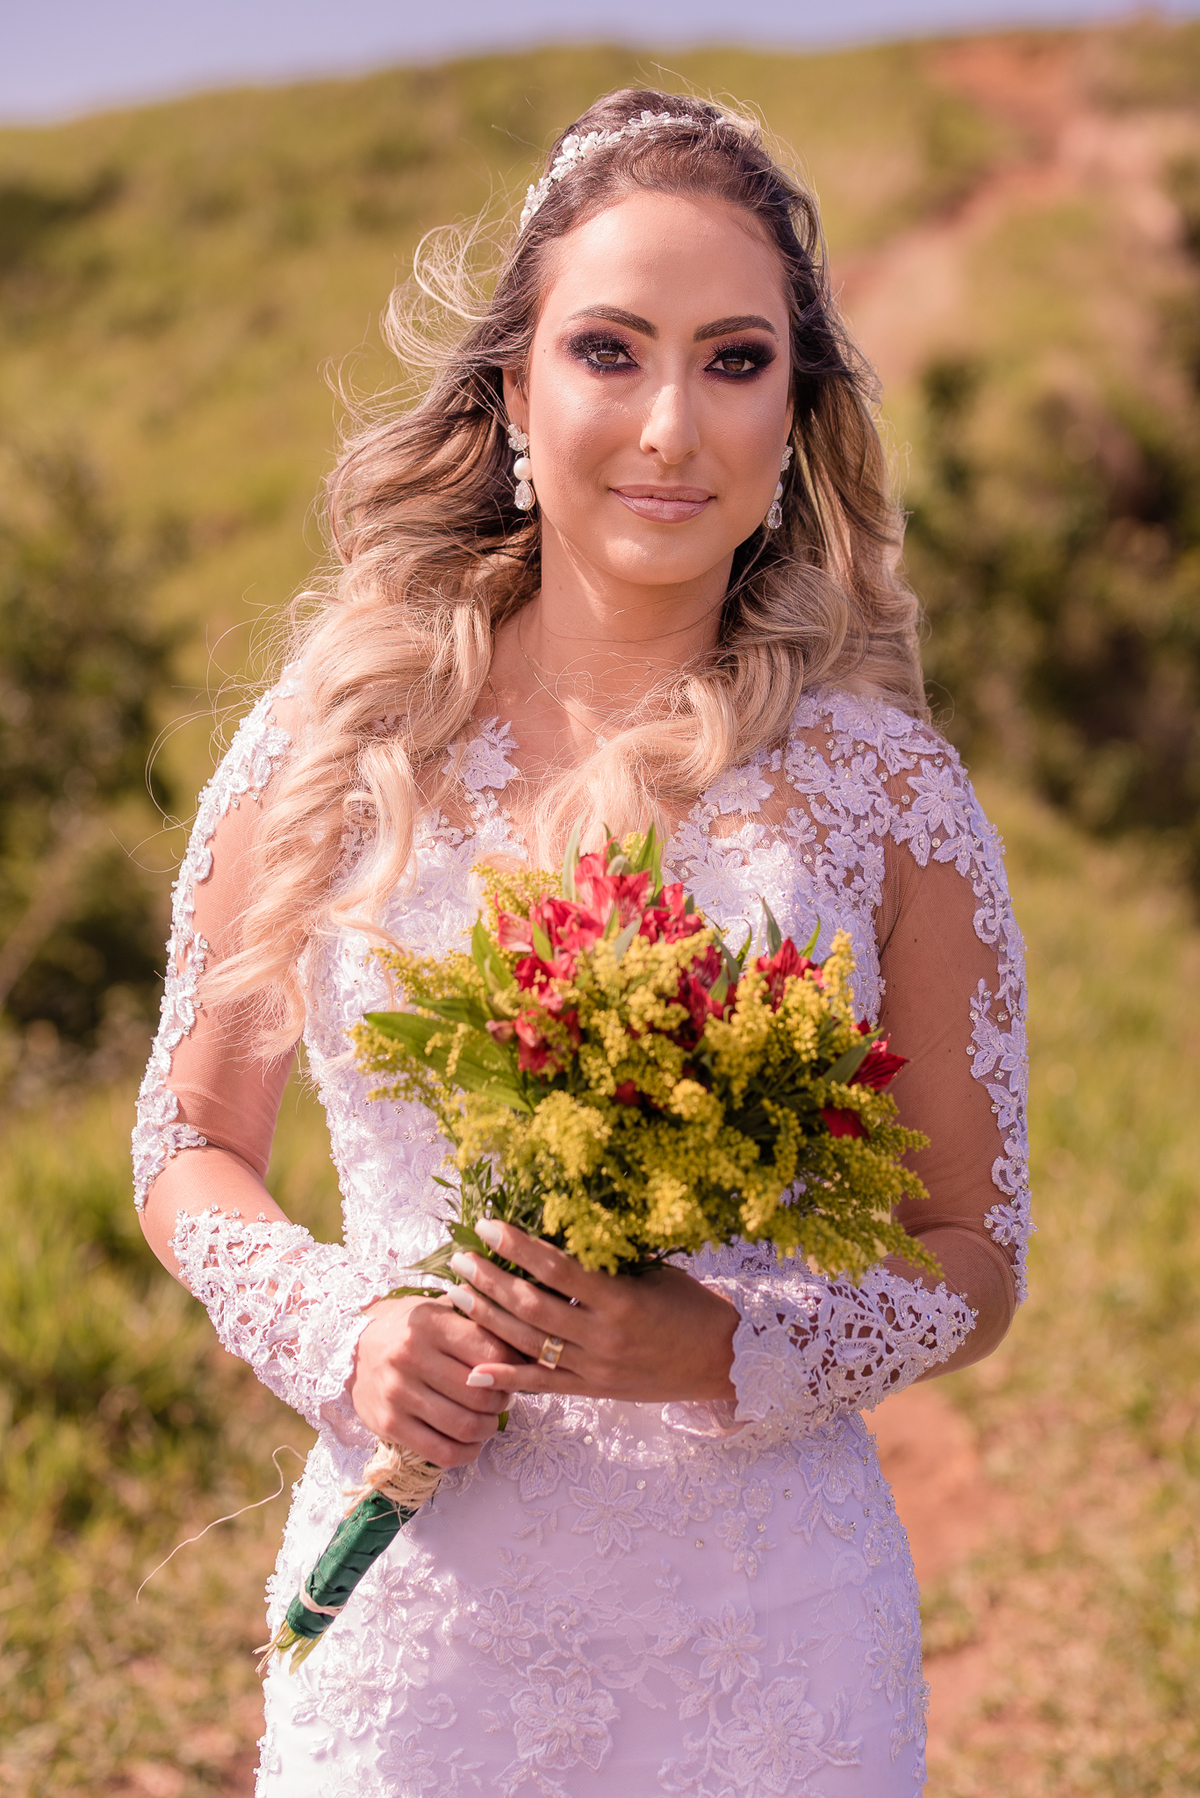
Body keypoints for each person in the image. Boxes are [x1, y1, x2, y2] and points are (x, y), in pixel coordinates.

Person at [134, 89, 1028, 1797]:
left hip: (771, 1640)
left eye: (737, 360)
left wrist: (733, 1345)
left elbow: (975, 1246)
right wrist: (345, 1331)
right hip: (424, 1636)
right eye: (610, 351)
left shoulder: (885, 794)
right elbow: (188, 1146)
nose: (670, 426)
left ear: (796, 416)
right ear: (515, 399)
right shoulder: (342, 739)